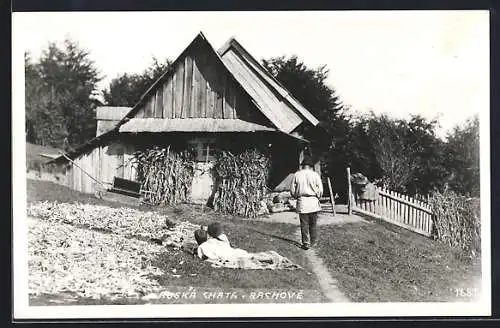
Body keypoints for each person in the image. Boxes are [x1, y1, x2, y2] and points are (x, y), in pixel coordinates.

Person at [290, 157, 323, 250]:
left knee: (304, 224)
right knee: (313, 223)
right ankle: (313, 242)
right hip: (313, 201)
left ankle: (306, 243)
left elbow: (292, 190)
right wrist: (317, 197)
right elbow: (320, 190)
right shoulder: (315, 175)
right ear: (311, 166)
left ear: (303, 166)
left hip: (302, 201)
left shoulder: (297, 175)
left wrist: (296, 196)